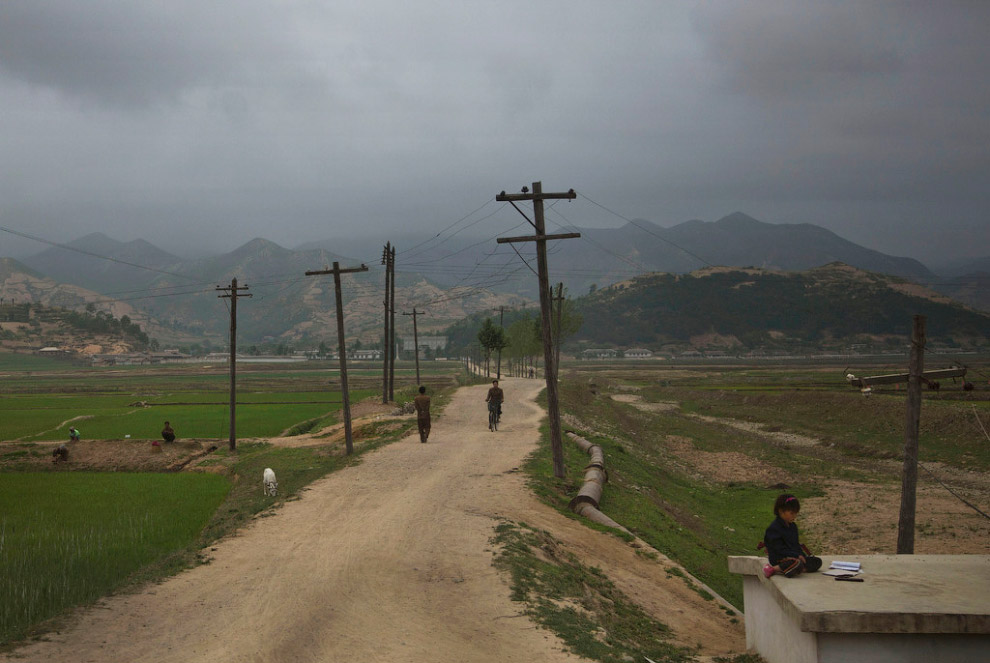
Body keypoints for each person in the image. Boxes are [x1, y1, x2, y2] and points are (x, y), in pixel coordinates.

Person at [762, 494, 822, 578]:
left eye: (796, 513)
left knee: (817, 561)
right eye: (791, 513)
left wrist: (801, 555)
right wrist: (795, 556)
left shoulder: (793, 527)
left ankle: (795, 569)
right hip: (780, 558)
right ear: (781, 511)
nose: (794, 516)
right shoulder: (774, 529)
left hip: (794, 556)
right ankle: (774, 569)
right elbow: (779, 549)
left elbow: (796, 544)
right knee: (795, 563)